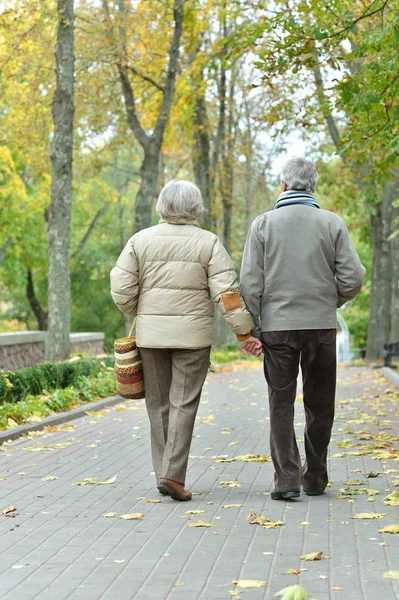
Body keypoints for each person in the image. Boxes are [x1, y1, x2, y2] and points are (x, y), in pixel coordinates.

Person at [110, 179, 262, 501]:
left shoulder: (140, 241)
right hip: (193, 339)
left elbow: (122, 288)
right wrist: (244, 331)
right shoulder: (208, 242)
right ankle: (172, 475)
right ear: (196, 207)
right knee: (183, 403)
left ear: (162, 206)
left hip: (150, 338)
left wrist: (141, 309)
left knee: (159, 405)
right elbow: (228, 294)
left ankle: (164, 474)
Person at [240, 157, 366, 500]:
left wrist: (254, 326)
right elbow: (354, 277)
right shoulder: (332, 223)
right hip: (321, 328)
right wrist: (330, 302)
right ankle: (316, 478)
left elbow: (250, 283)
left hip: (277, 330)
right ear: (314, 185)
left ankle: (286, 480)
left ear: (283, 185)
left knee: (281, 404)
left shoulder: (262, 225)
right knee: (320, 404)